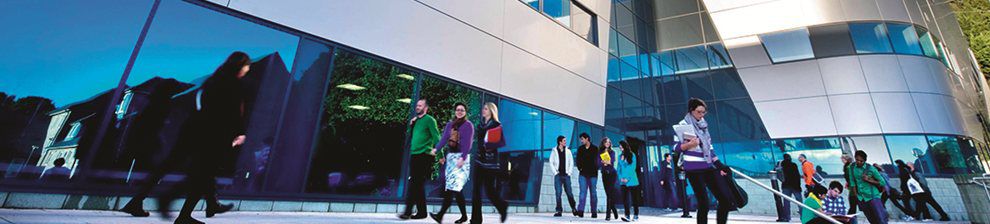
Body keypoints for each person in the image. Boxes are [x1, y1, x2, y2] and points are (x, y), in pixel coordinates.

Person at [156, 52, 252, 224]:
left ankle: (208, 205)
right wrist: (239, 133)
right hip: (214, 134)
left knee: (205, 174)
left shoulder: (214, 79)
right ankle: (171, 200)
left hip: (201, 131)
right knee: (203, 175)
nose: (248, 69)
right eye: (247, 66)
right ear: (241, 65)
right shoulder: (233, 84)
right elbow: (234, 113)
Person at [672, 98, 734, 224]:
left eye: (703, 112)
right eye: (699, 112)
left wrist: (719, 165)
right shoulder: (683, 125)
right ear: (691, 111)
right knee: (704, 203)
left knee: (725, 200)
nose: (701, 115)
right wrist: (689, 145)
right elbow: (675, 147)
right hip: (693, 169)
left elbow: (710, 148)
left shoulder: (703, 125)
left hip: (708, 166)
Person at [430, 103, 474, 224]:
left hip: (461, 159)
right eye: (458, 110)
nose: (460, 112)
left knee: (453, 188)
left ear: (465, 112)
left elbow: (468, 143)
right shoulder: (450, 124)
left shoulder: (468, 125)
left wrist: (463, 157)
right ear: (455, 111)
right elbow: (444, 139)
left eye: (462, 110)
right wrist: (436, 149)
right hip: (451, 158)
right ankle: (462, 216)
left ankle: (440, 215)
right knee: (453, 188)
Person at [398, 99, 441, 220]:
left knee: (414, 183)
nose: (417, 107)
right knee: (418, 185)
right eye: (417, 105)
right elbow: (411, 136)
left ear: (426, 108)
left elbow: (437, 137)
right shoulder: (416, 121)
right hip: (415, 155)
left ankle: (407, 212)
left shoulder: (430, 120)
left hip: (425, 155)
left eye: (420, 106)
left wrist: (440, 155)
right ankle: (422, 212)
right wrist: (411, 125)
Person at [470, 102, 508, 224]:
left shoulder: (497, 125)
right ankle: (476, 219)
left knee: (489, 191)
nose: (483, 110)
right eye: (483, 108)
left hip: (490, 163)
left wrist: (489, 143)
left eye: (486, 109)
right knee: (476, 191)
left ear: (491, 111)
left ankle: (502, 207)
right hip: (479, 160)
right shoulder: (480, 125)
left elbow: (500, 142)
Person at [847, 150, 888, 224]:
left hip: (873, 197)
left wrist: (869, 180)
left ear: (865, 161)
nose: (859, 162)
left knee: (881, 220)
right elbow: (852, 182)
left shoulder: (871, 168)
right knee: (872, 220)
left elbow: (882, 182)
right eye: (857, 160)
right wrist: (857, 196)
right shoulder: (852, 167)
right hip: (862, 198)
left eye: (861, 161)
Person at [548, 135, 577, 217]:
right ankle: (559, 211)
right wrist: (555, 172)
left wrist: (569, 172)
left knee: (569, 193)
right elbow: (551, 162)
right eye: (564, 140)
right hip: (558, 176)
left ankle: (574, 208)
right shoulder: (554, 151)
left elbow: (571, 162)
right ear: (560, 142)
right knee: (558, 193)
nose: (565, 142)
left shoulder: (568, 151)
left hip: (566, 176)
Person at [575, 132, 599, 218]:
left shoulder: (595, 148)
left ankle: (594, 211)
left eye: (582, 139)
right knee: (582, 193)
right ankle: (580, 211)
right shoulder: (580, 149)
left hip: (593, 175)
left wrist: (596, 168)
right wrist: (580, 168)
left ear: (587, 139)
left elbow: (598, 160)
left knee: (593, 193)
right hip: (583, 174)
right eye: (580, 139)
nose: (581, 141)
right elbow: (578, 160)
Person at [617, 140, 641, 222]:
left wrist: (627, 178)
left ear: (625, 146)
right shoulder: (620, 156)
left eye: (621, 146)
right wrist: (621, 178)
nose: (620, 147)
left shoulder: (632, 155)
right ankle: (627, 215)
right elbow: (618, 169)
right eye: (619, 146)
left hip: (632, 180)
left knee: (634, 199)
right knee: (625, 199)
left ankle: (636, 215)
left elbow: (632, 167)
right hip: (623, 181)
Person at [599, 137, 619, 221]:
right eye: (606, 142)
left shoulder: (612, 152)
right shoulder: (600, 152)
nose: (607, 143)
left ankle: (608, 215)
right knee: (608, 194)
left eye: (609, 142)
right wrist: (604, 162)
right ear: (603, 143)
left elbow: (612, 161)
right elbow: (598, 162)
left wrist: (606, 162)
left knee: (610, 193)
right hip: (604, 174)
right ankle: (613, 208)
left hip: (612, 174)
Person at [779, 153, 803, 222]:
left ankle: (787, 217)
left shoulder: (781, 165)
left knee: (786, 202)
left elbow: (778, 173)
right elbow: (797, 176)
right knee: (800, 202)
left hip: (785, 185)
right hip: (795, 186)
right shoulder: (793, 165)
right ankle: (803, 216)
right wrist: (799, 186)